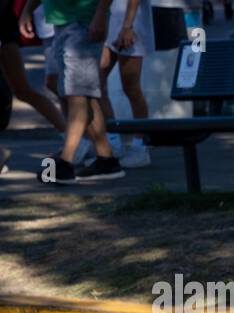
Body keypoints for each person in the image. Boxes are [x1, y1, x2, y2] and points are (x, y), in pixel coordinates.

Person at [20, 0, 124, 183]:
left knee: (77, 93)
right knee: (83, 95)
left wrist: (100, 15)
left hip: (84, 21)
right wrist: (28, 9)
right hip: (63, 21)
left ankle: (66, 162)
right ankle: (106, 159)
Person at [99, 0, 152, 167]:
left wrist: (128, 27)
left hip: (130, 23)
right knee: (95, 81)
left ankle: (140, 148)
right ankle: (113, 142)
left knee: (131, 87)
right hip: (109, 21)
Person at [1, 0, 67, 133]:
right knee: (23, 91)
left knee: (23, 91)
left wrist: (26, 13)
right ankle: (72, 136)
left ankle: (72, 136)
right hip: (6, 32)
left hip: (5, 33)